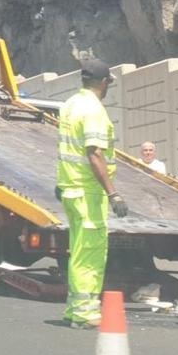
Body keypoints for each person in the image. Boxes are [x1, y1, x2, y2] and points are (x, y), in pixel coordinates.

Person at [57, 58, 129, 329]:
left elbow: (68, 149)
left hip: (71, 189)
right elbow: (94, 152)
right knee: (90, 253)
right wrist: (113, 194)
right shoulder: (93, 110)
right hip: (89, 193)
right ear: (103, 82)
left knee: (78, 251)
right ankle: (86, 313)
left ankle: (75, 308)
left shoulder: (70, 105)